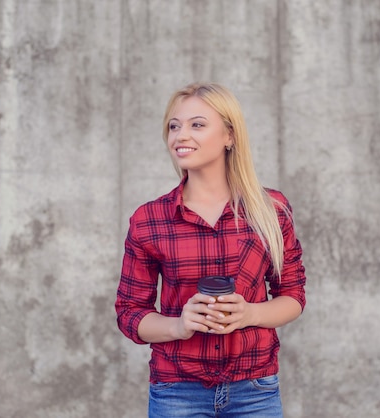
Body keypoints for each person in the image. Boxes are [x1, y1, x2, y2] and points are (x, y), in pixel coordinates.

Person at [115, 82, 306, 417]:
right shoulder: (149, 220)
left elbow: (292, 295)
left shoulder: (271, 210)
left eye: (197, 125)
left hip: (256, 391)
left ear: (229, 136)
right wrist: (179, 325)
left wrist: (250, 313)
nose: (180, 135)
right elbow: (130, 313)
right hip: (177, 392)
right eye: (174, 126)